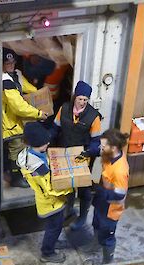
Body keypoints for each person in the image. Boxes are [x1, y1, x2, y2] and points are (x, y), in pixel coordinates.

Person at [17, 122, 73, 263]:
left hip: (48, 200)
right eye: (45, 143)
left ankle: (52, 242)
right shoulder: (39, 169)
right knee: (54, 227)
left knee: (54, 227)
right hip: (51, 203)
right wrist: (70, 187)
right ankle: (47, 252)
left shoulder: (29, 153)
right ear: (36, 143)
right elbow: (50, 189)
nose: (48, 144)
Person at [51, 81, 103, 231]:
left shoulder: (93, 117)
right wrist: (47, 141)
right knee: (68, 186)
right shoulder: (64, 109)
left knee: (84, 189)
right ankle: (68, 211)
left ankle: (82, 217)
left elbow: (95, 141)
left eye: (85, 100)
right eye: (80, 99)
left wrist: (88, 152)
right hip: (64, 153)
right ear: (75, 97)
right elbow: (55, 128)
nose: (82, 102)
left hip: (83, 157)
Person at [2, 49, 49, 188]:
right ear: (2, 64)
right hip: (10, 125)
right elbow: (18, 107)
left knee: (22, 149)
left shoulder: (16, 75)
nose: (11, 65)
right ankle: (15, 178)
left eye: (12, 62)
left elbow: (29, 89)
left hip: (18, 121)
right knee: (15, 151)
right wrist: (38, 114)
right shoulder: (5, 80)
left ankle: (20, 173)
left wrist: (42, 96)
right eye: (7, 63)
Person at [92, 128, 130, 264]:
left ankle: (107, 261)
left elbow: (120, 195)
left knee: (107, 235)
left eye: (103, 146)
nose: (100, 149)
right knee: (96, 224)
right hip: (101, 201)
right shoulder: (109, 155)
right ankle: (96, 245)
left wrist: (97, 189)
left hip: (110, 209)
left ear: (113, 148)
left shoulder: (120, 170)